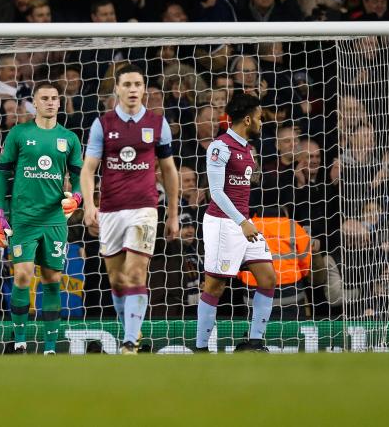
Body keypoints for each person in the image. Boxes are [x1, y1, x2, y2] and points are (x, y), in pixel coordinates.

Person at [79, 64, 179, 354]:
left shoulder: (158, 124)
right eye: (127, 84)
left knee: (135, 274)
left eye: (138, 84)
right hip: (110, 211)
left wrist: (172, 213)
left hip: (145, 209)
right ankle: (131, 332)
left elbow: (169, 171)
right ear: (117, 89)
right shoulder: (103, 123)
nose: (133, 89)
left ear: (144, 88)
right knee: (117, 279)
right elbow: (88, 170)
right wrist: (89, 205)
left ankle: (129, 343)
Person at [0, 82, 83, 355]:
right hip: (23, 219)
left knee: (52, 278)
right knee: (21, 276)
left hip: (55, 220)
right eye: (45, 98)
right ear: (35, 102)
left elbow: (79, 179)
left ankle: (51, 347)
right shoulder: (19, 134)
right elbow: (1, 175)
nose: (51, 102)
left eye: (55, 98)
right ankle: (20, 341)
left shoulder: (69, 138)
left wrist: (77, 199)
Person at [196, 94, 278, 353]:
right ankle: (200, 348)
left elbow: (240, 183)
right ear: (247, 118)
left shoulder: (246, 148)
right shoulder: (219, 147)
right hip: (223, 223)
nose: (261, 121)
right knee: (214, 285)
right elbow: (217, 192)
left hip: (243, 222)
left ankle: (254, 342)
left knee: (268, 278)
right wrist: (243, 221)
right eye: (259, 117)